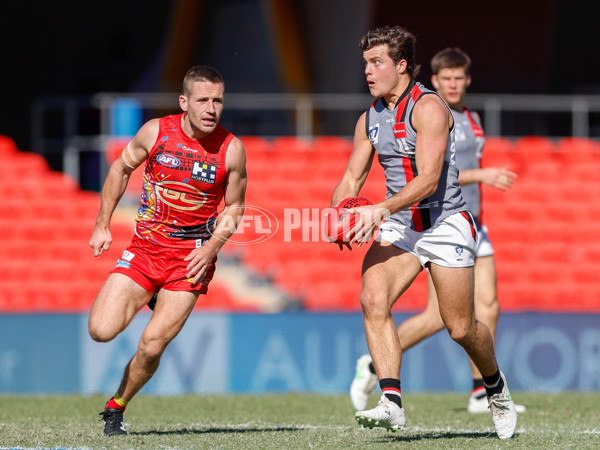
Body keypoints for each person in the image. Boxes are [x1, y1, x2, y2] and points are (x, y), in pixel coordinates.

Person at [330, 27, 518, 439]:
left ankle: (496, 388)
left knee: (459, 327)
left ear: (401, 66)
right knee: (372, 297)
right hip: (401, 222)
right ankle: (391, 402)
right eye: (365, 63)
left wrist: (379, 209)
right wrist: (339, 211)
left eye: (376, 62)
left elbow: (430, 179)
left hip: (445, 219)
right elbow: (350, 177)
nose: (368, 71)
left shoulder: (429, 108)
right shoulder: (369, 118)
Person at [88, 65, 247, 436]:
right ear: (184, 101)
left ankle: (117, 406)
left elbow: (235, 208)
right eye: (203, 100)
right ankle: (152, 294)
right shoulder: (155, 131)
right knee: (100, 330)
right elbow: (119, 170)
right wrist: (102, 224)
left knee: (151, 345)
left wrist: (211, 249)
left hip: (189, 260)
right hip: (145, 249)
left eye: (218, 100)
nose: (211, 108)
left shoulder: (232, 149)